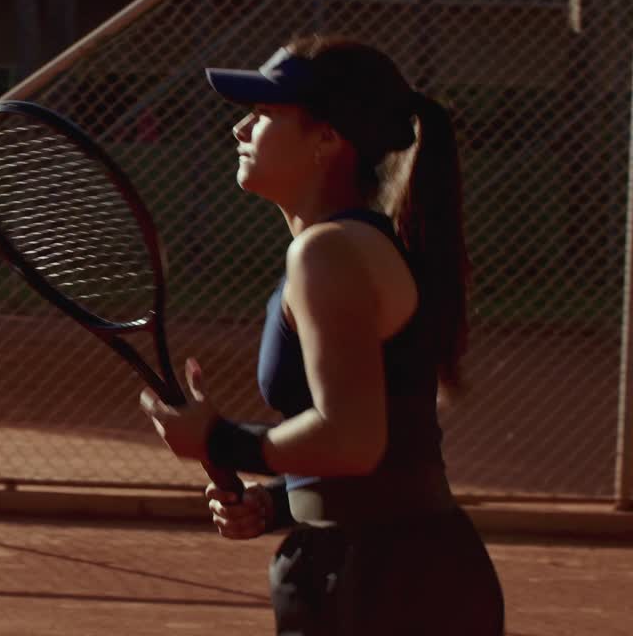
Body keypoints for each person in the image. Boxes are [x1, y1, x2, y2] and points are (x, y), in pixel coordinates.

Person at [139, 35, 505, 635]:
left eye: (263, 115)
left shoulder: (328, 252)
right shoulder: (353, 245)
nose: (240, 130)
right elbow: (385, 449)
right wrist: (281, 500)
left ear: (328, 140)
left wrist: (222, 441)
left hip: (382, 583)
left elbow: (351, 439)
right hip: (397, 568)